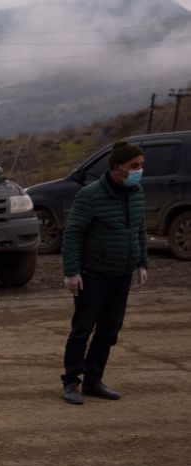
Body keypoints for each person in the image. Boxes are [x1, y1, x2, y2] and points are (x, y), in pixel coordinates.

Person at [59, 139, 149, 405]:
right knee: (82, 330)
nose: (139, 170)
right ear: (116, 167)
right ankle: (71, 382)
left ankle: (93, 380)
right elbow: (73, 235)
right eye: (134, 165)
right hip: (93, 275)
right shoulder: (90, 196)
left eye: (141, 165)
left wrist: (142, 262)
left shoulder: (136, 192)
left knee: (109, 331)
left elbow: (140, 230)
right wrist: (72, 272)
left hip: (121, 275)